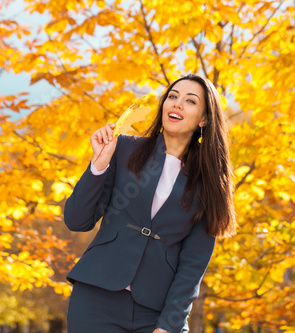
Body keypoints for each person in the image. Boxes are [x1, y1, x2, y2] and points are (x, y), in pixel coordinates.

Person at [64, 73, 236, 333]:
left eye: (190, 101)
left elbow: (194, 264)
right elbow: (77, 221)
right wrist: (99, 164)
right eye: (172, 96)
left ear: (204, 119)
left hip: (157, 313)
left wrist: (169, 325)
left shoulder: (210, 183)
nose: (177, 104)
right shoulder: (124, 149)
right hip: (96, 302)